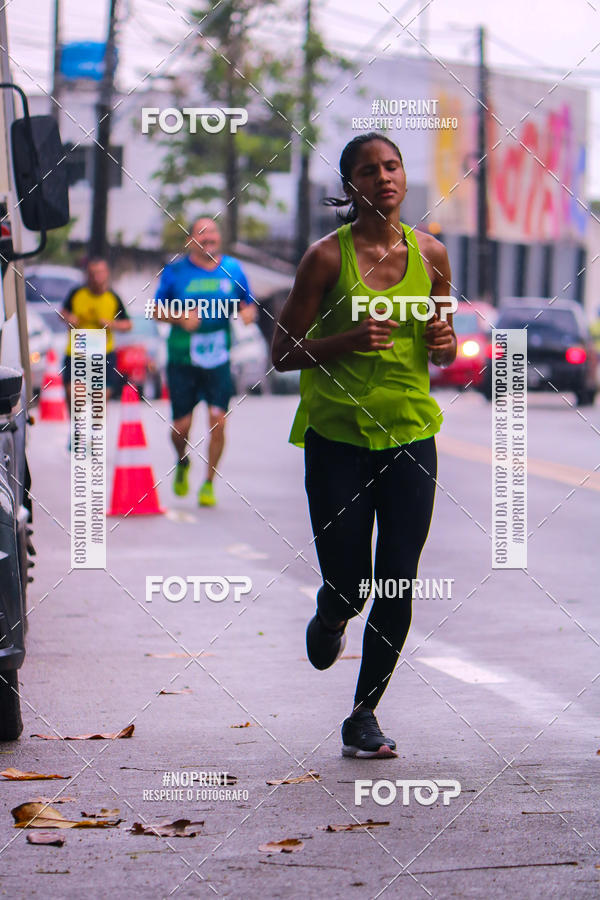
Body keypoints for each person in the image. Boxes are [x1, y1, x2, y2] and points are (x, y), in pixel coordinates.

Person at [272, 132, 457, 759]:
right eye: (369, 171)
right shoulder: (325, 259)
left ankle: (363, 714)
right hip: (337, 440)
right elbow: (282, 355)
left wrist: (443, 341)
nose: (385, 178)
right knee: (351, 583)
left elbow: (447, 343)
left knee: (398, 580)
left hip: (410, 435)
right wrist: (348, 341)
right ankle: (332, 614)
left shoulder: (432, 254)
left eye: (393, 166)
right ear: (350, 188)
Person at [154, 217, 256, 507]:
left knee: (218, 421)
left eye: (212, 232)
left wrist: (248, 314)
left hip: (218, 358)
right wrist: (179, 317)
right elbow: (155, 309)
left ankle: (209, 483)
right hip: (182, 358)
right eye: (202, 233)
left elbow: (247, 304)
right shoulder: (175, 271)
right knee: (181, 427)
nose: (208, 238)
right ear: (190, 241)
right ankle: (182, 460)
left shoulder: (233, 269)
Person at [61, 257, 132, 410]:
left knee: (98, 402)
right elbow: (62, 313)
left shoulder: (113, 297)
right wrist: (68, 318)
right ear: (87, 275)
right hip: (78, 352)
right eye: (92, 273)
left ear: (107, 274)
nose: (96, 277)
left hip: (103, 353)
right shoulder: (77, 293)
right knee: (75, 400)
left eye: (100, 273)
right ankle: (78, 429)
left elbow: (128, 324)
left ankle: (94, 429)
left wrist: (112, 324)